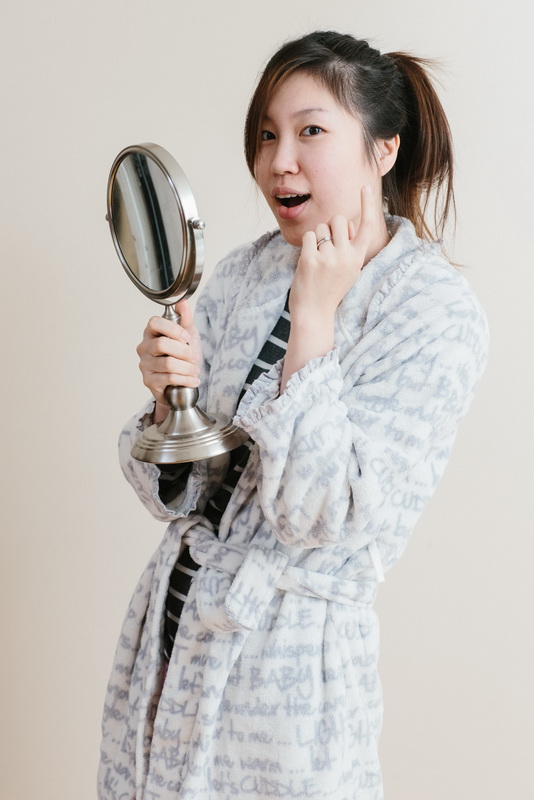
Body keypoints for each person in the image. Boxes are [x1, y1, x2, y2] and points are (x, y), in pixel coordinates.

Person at [98, 31, 488, 800]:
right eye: (267, 135)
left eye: (311, 131)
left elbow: (321, 515)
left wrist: (312, 321)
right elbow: (175, 495)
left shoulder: (434, 311)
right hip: (172, 639)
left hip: (288, 673)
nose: (280, 161)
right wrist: (170, 400)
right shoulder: (244, 273)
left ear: (383, 149)